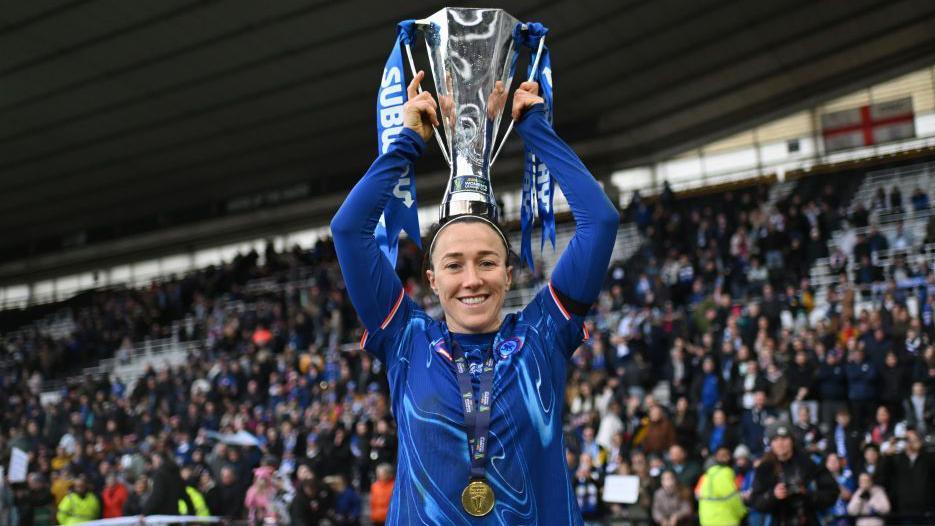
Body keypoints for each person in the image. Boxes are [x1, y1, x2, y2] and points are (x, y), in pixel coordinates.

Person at [330, 71, 619, 524]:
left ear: (508, 275)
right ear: (431, 280)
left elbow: (599, 221)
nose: (471, 279)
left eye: (486, 262)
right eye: (453, 265)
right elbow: (348, 231)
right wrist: (406, 142)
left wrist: (535, 128)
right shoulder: (406, 338)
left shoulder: (544, 333)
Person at [750, 423, 837, 526]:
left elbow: (832, 493)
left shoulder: (810, 462)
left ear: (792, 440)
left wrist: (806, 494)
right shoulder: (765, 468)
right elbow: (756, 502)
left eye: (784, 439)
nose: (780, 444)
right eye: (776, 440)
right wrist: (774, 495)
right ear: (771, 444)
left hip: (809, 519)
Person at [876, 428, 935, 522]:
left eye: (913, 439)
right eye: (907, 439)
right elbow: (881, 476)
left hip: (926, 508)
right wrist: (887, 455)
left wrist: (921, 449)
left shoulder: (927, 458)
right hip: (904, 508)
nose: (910, 442)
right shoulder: (897, 459)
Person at [695, 446, 747, 526]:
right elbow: (732, 498)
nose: (724, 457)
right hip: (724, 520)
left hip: (706, 521)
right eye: (721, 455)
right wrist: (742, 512)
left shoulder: (706, 475)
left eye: (726, 454)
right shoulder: (725, 474)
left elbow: (698, 494)